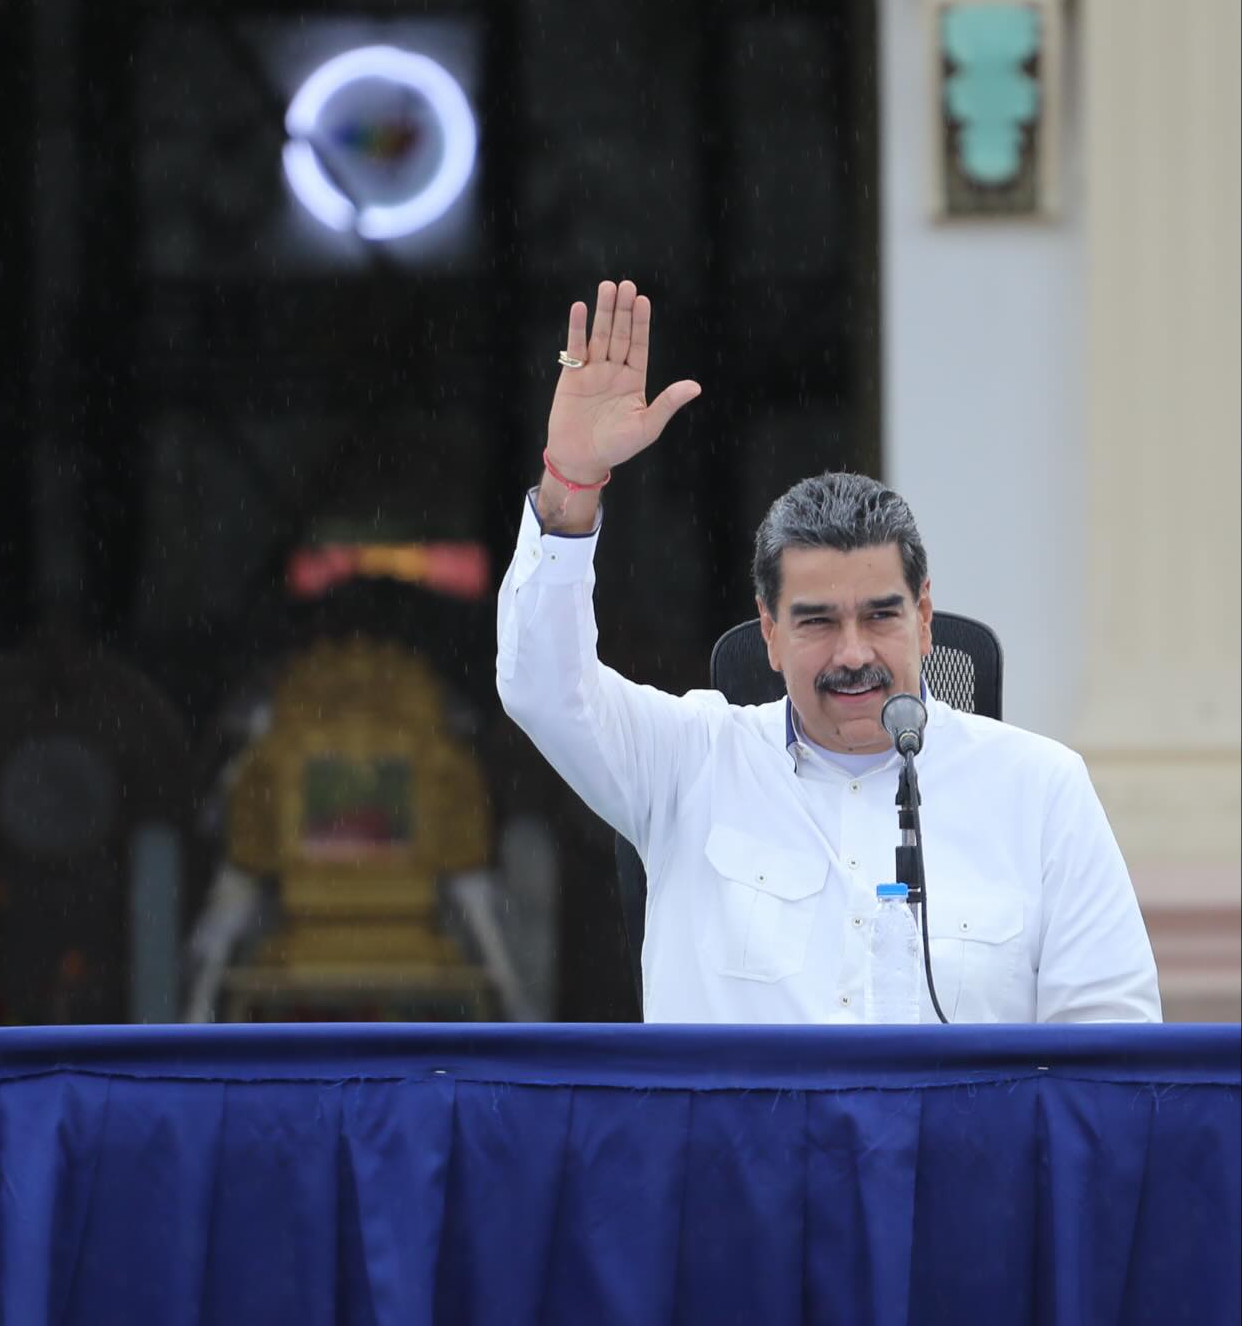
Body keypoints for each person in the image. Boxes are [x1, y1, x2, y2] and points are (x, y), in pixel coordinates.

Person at [496, 279, 1160, 1024]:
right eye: (816, 622)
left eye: (880, 616)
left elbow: (1110, 1041)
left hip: (963, 1112)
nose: (851, 653)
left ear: (924, 619)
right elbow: (540, 686)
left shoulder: (1040, 791)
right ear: (770, 632)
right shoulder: (687, 762)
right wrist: (571, 484)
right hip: (740, 1110)